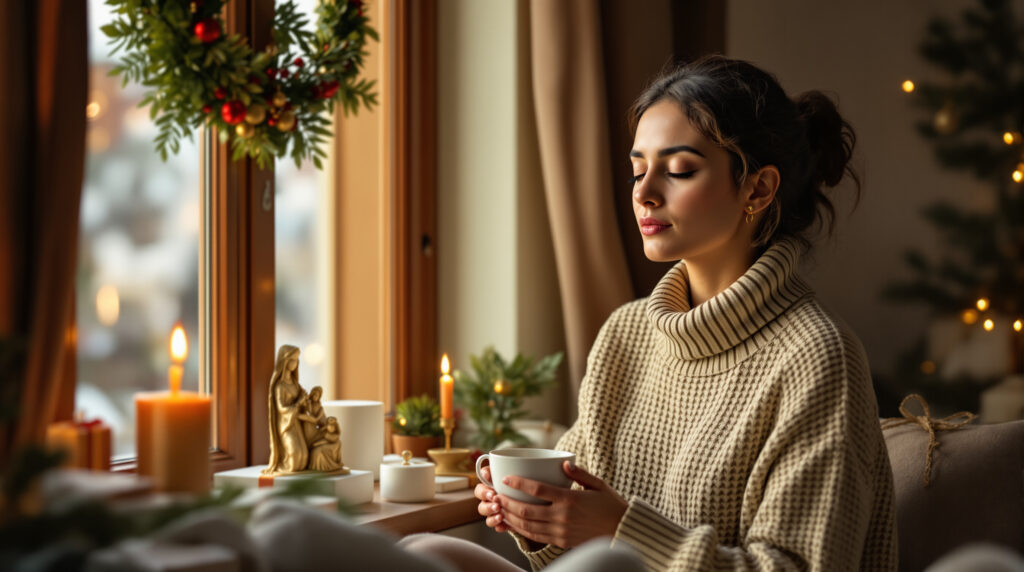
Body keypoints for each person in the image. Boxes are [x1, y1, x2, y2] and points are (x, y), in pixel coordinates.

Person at [466, 55, 898, 571]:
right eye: (637, 170)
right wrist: (537, 521)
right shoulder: (625, 334)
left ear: (757, 189)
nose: (644, 194)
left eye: (678, 171)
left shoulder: (817, 357)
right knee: (431, 552)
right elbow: (571, 541)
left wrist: (619, 529)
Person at [263, 345, 309, 475]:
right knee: (295, 455)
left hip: (296, 422)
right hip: (286, 424)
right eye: (292, 360)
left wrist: (306, 400)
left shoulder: (294, 383)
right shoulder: (280, 386)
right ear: (285, 361)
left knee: (304, 455)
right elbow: (281, 408)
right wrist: (299, 402)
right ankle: (283, 466)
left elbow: (301, 399)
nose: (295, 363)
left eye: (297, 360)